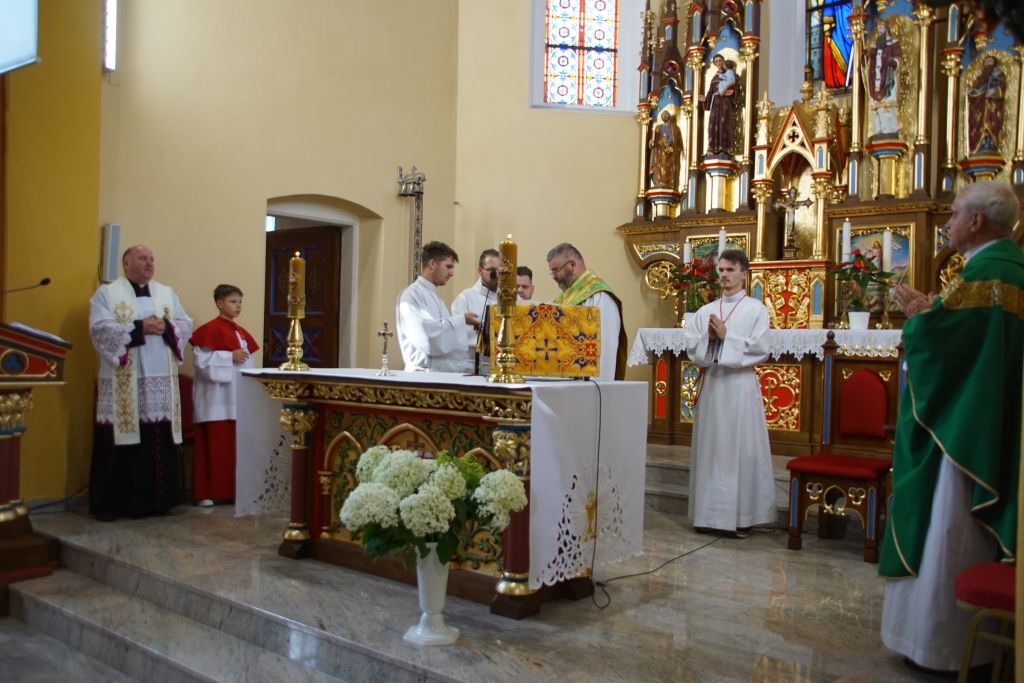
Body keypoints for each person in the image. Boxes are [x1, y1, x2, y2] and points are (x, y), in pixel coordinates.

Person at [880, 180, 1023, 673]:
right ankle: (981, 642)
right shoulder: (1013, 269)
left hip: (960, 434)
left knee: (948, 533)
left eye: (955, 213)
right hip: (992, 424)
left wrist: (920, 319)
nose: (947, 222)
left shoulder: (983, 273)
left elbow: (942, 344)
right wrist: (934, 311)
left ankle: (940, 647)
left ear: (977, 221)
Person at [88, 244, 193, 520]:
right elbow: (99, 329)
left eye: (151, 259)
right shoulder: (107, 294)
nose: (149, 263)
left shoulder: (166, 293)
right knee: (124, 440)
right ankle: (119, 505)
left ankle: (158, 503)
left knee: (157, 438)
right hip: (125, 382)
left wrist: (167, 327)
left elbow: (185, 323)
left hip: (160, 382)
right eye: (142, 258)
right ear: (126, 264)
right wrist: (139, 327)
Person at [683, 249, 775, 535]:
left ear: (744, 274)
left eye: (730, 270)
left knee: (739, 449)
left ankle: (740, 518)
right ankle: (708, 516)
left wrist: (726, 336)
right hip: (714, 386)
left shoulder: (756, 310)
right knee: (712, 449)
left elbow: (761, 349)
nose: (724, 275)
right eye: (721, 270)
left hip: (740, 388)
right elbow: (692, 349)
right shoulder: (705, 311)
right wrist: (709, 339)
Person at [188, 284, 259, 507]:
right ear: (220, 303)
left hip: (235, 398)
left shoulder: (240, 332)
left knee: (233, 449)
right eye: (233, 301)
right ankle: (206, 492)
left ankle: (232, 491)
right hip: (215, 399)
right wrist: (229, 357)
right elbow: (202, 362)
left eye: (240, 302)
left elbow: (248, 361)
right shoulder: (208, 330)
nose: (238, 306)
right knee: (213, 447)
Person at [396, 241, 479, 372]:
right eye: (448, 267)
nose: (451, 273)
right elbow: (427, 338)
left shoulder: (437, 299)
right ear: (432, 264)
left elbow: (446, 349)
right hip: (421, 375)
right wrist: (461, 320)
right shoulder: (411, 296)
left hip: (438, 374)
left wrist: (462, 368)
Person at [547, 243, 626, 380]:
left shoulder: (600, 297)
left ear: (572, 265)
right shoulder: (563, 298)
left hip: (589, 384)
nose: (554, 276)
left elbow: (605, 348)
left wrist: (597, 385)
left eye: (556, 270)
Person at [451, 249, 500, 373]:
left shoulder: (507, 298)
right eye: (491, 270)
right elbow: (457, 339)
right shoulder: (465, 298)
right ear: (479, 270)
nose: (496, 275)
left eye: (499, 270)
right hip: (472, 363)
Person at [865, 19, 901, 139]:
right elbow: (869, 62)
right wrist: (865, 58)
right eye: (878, 28)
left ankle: (890, 129)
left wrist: (893, 62)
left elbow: (898, 59)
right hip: (875, 79)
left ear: (886, 29)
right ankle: (878, 128)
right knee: (876, 106)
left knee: (887, 104)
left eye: (881, 27)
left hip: (887, 77)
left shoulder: (894, 44)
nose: (879, 30)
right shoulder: (874, 46)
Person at [967, 54, 1006, 155]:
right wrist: (971, 92)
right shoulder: (980, 78)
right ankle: (979, 147)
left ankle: (991, 146)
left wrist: (994, 91)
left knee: (992, 124)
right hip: (980, 107)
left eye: (990, 61)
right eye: (986, 62)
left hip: (993, 107)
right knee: (978, 124)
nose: (987, 64)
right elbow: (974, 92)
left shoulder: (999, 75)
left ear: (994, 64)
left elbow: (1002, 88)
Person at [703, 55, 737, 155]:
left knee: (724, 122)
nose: (718, 63)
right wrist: (705, 100)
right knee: (712, 123)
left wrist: (732, 92)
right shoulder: (714, 78)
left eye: (720, 60)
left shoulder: (730, 74)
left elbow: (735, 87)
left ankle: (724, 147)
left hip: (725, 101)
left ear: (723, 61)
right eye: (716, 61)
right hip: (715, 102)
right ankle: (712, 147)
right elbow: (710, 92)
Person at [649, 109, 683, 188]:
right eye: (663, 115)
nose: (665, 116)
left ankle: (669, 182)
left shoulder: (674, 128)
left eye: (666, 114)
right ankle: (659, 181)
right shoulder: (658, 128)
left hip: (671, 152)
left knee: (668, 167)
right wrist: (652, 142)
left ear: (669, 116)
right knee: (660, 167)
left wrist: (669, 143)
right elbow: (654, 140)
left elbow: (677, 141)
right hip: (660, 152)